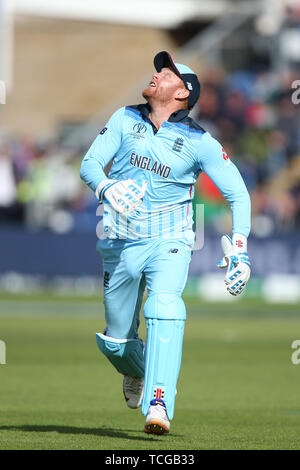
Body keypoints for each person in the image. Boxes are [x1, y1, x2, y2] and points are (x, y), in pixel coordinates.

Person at [80, 51, 251, 435]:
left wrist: (239, 246)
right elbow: (89, 164)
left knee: (165, 306)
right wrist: (106, 186)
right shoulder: (124, 117)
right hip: (119, 241)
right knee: (114, 343)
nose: (158, 73)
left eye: (168, 72)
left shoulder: (200, 141)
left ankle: (159, 401)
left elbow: (238, 195)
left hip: (169, 240)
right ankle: (137, 368)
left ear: (183, 93)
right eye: (160, 68)